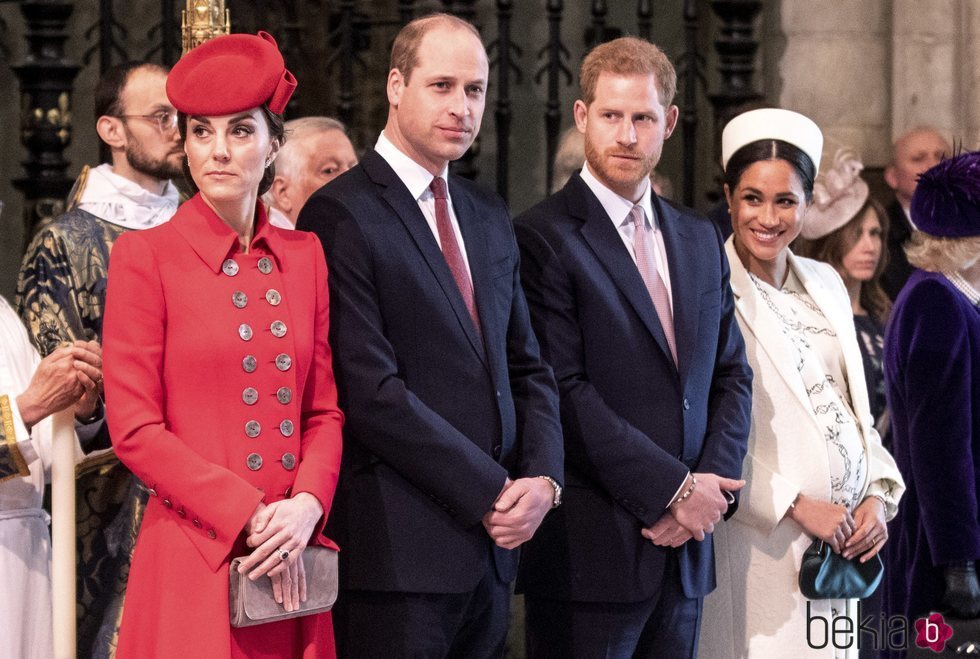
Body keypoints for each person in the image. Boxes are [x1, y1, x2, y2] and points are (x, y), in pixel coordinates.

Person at [296, 13, 563, 657]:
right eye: (441, 86)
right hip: (399, 556)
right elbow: (371, 391)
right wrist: (490, 490)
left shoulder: (487, 211)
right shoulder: (340, 211)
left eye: (474, 90)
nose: (461, 107)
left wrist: (544, 481)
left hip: (495, 557)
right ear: (395, 85)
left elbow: (527, 366)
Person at [102, 32, 344, 657]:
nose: (218, 151)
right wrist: (249, 512)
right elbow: (133, 428)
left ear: (272, 145)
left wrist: (306, 507)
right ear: (183, 146)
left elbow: (322, 411)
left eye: (240, 131)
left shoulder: (305, 256)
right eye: (201, 132)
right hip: (194, 553)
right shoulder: (144, 256)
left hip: (291, 552)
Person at [514, 37, 753, 658]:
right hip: (592, 555)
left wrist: (710, 494)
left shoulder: (700, 236)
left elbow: (730, 374)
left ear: (668, 123)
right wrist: (674, 489)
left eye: (643, 118)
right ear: (582, 117)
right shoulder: (542, 237)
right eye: (612, 116)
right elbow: (562, 390)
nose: (626, 134)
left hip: (688, 554)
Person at [699, 108, 905, 658]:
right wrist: (796, 505)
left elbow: (857, 411)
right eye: (753, 198)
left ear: (807, 204)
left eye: (786, 201)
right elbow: (702, 430)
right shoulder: (707, 283)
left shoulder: (827, 281)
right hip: (759, 545)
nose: (769, 217)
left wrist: (878, 497)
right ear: (728, 197)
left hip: (843, 554)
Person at [14, 59, 182, 657]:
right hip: (116, 503)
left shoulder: (204, 225)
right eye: (160, 115)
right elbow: (69, 387)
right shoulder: (66, 242)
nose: (179, 128)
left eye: (182, 114)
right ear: (112, 131)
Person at [883, 150, 980, 627]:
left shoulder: (959, 297)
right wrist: (958, 561)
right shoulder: (935, 302)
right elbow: (939, 446)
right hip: (943, 543)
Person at [0, 295, 103, 659]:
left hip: (27, 552)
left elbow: (39, 450)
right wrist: (32, 405)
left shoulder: (2, 312)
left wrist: (77, 406)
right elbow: (31, 405)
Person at [795, 148, 892, 436]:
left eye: (875, 233)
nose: (870, 246)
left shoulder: (885, 316)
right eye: (856, 234)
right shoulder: (810, 318)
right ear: (831, 241)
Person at [880, 127, 950, 301]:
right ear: (892, 176)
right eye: (918, 159)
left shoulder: (971, 228)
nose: (934, 166)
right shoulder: (878, 234)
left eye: (942, 157)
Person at [263, 116, 358, 229]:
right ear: (283, 193)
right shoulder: (267, 245)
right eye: (329, 170)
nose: (352, 181)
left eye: (354, 168)